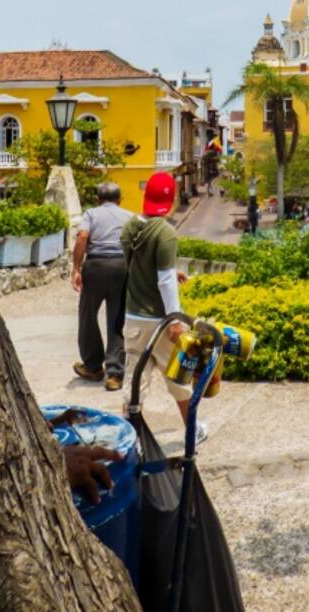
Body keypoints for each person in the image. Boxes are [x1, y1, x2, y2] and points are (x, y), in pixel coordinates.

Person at [119, 172, 208, 443]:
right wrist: (175, 320)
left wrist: (172, 271)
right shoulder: (166, 232)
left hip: (133, 317)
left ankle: (128, 436)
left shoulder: (129, 228)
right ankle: (192, 430)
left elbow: (136, 268)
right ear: (170, 199)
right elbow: (165, 279)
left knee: (134, 381)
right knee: (178, 380)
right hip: (159, 320)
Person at [71, 181, 133, 391]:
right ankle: (114, 374)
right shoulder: (129, 216)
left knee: (88, 315)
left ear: (99, 199)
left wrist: (76, 269)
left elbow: (82, 238)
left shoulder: (91, 214)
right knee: (116, 319)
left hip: (95, 266)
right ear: (119, 199)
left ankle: (93, 366)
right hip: (120, 267)